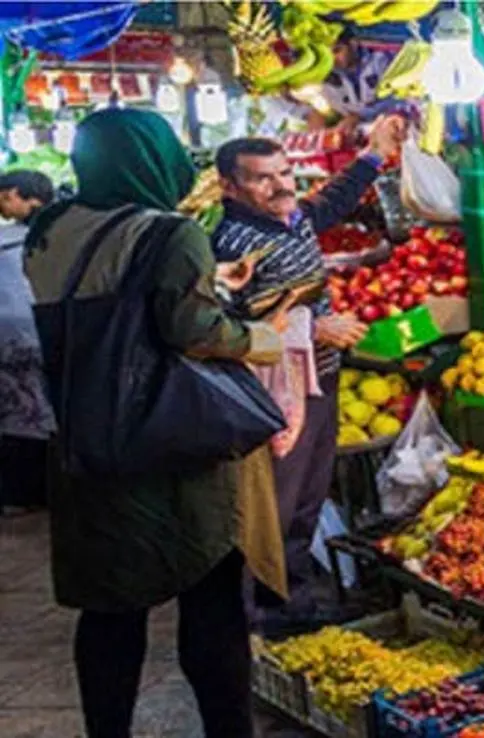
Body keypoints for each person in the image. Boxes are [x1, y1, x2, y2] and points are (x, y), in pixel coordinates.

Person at [23, 108, 284, 738]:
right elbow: (191, 329)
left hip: (84, 440)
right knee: (211, 597)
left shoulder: (48, 229)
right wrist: (261, 338)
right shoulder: (170, 232)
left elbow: (106, 298)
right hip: (169, 444)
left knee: (110, 609)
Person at [211, 114, 405, 629]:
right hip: (271, 393)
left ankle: (291, 597)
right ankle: (257, 609)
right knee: (272, 503)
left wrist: (373, 153)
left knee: (305, 498)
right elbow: (222, 324)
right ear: (229, 186)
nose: (281, 185)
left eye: (284, 172)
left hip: (317, 379)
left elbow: (329, 203)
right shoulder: (229, 243)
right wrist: (313, 331)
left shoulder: (289, 217)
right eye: (263, 177)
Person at [0, 170, 56, 516]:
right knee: (41, 411)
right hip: (45, 332)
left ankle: (21, 492)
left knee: (15, 415)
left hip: (11, 337)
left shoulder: (9, 240)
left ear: (17, 195)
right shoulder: (63, 233)